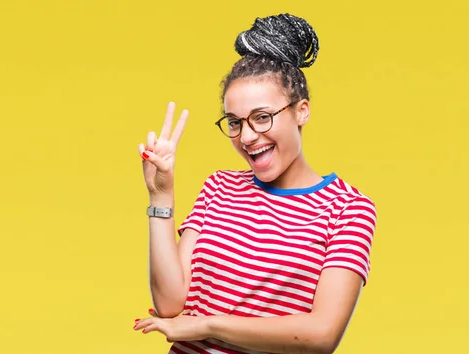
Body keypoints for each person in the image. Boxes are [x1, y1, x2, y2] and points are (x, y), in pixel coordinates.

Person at [133, 13, 377, 354]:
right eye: (234, 122)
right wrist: (161, 196)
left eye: (262, 117)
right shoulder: (218, 187)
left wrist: (208, 324)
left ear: (301, 111)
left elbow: (321, 335)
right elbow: (171, 306)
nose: (247, 137)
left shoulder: (348, 209)